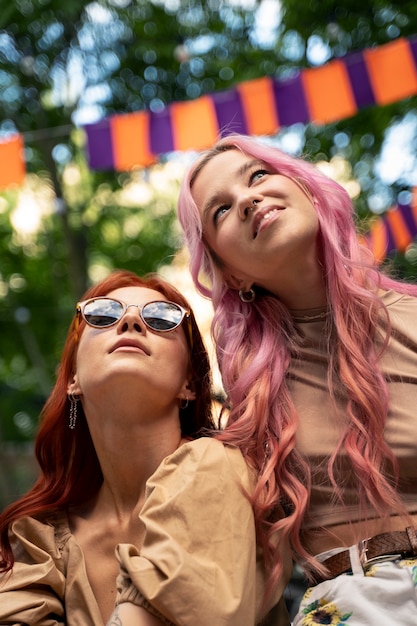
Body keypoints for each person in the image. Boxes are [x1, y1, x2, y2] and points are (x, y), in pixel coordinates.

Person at [177, 133, 417, 624]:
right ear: (231, 274)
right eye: (220, 211)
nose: (247, 200)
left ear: (308, 191)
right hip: (344, 605)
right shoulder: (249, 385)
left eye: (258, 176)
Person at [0, 269, 291, 626]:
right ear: (74, 378)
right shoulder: (39, 538)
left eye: (161, 319)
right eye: (104, 314)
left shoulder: (218, 466)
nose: (132, 321)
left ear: (189, 384)